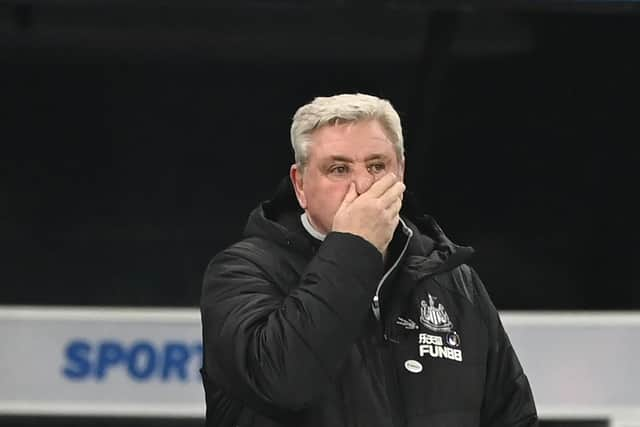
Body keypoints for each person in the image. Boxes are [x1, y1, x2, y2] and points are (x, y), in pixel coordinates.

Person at [200, 93, 538, 427]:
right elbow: (283, 382)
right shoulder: (241, 272)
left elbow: (512, 415)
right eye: (338, 169)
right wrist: (354, 245)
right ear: (300, 185)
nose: (361, 185)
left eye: (377, 166)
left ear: (401, 173)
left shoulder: (453, 280)